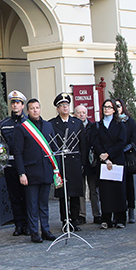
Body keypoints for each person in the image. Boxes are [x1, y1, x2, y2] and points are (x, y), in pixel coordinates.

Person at [12, 98, 58, 243]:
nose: (35, 110)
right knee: (31, 205)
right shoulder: (22, 128)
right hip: (30, 172)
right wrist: (21, 173)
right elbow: (17, 153)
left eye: (37, 107)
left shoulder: (48, 126)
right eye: (32, 108)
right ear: (27, 111)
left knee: (44, 204)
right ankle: (34, 232)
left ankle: (45, 230)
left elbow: (53, 148)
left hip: (45, 170)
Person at [49, 93, 86, 229]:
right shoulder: (52, 124)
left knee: (75, 193)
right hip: (61, 164)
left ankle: (75, 220)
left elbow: (83, 145)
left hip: (74, 163)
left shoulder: (77, 123)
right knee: (63, 195)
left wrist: (83, 163)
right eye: (62, 105)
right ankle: (65, 220)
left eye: (67, 105)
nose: (65, 107)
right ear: (57, 109)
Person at [93, 98, 129, 228]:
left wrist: (109, 154)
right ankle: (106, 219)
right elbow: (96, 142)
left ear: (114, 110)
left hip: (117, 159)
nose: (106, 109)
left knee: (118, 189)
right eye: (105, 107)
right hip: (103, 161)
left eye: (109, 107)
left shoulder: (120, 124)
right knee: (106, 190)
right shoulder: (98, 125)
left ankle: (120, 218)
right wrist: (104, 157)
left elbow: (121, 142)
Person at [0, 91, 30, 236]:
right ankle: (18, 225)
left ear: (23, 105)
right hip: (10, 165)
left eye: (18, 103)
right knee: (15, 197)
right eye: (13, 103)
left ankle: (29, 225)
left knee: (28, 197)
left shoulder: (29, 123)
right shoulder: (4, 124)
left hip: (26, 165)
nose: (15, 105)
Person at [76, 103, 102, 224]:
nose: (81, 115)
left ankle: (97, 214)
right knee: (80, 190)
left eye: (83, 112)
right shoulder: (74, 126)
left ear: (87, 114)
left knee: (93, 190)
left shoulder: (94, 126)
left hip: (91, 163)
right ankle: (82, 215)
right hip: (79, 162)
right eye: (79, 113)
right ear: (75, 114)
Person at [114, 98, 136, 224]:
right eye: (115, 106)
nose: (117, 108)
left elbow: (134, 141)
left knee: (129, 186)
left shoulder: (130, 122)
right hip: (115, 158)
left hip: (126, 158)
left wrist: (122, 150)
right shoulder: (112, 122)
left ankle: (131, 210)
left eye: (119, 105)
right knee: (117, 187)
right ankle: (117, 211)